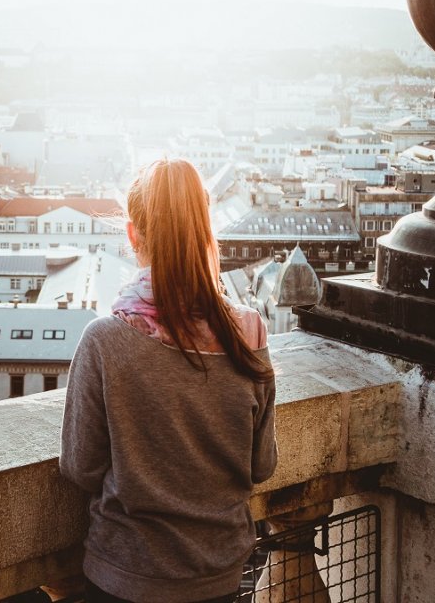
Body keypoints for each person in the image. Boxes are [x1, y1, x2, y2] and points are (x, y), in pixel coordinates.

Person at [59, 158, 277, 603]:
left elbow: (80, 466)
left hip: (126, 574)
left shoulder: (105, 340)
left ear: (133, 234)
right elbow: (262, 466)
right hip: (220, 576)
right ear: (205, 230)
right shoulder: (249, 332)